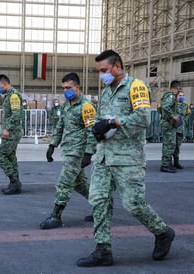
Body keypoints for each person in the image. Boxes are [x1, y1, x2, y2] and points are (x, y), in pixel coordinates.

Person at [77, 50, 174, 267]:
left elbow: (143, 118)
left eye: (104, 70)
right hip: (103, 157)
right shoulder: (105, 92)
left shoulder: (136, 87)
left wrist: (113, 123)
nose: (101, 75)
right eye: (99, 71)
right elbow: (100, 122)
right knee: (98, 201)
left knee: (133, 204)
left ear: (117, 67)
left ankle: (163, 232)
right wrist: (94, 140)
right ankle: (103, 250)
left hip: (127, 158)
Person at [41, 72, 96, 229]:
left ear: (77, 87)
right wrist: (52, 145)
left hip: (77, 152)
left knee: (64, 183)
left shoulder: (86, 107)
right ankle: (102, 206)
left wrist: (88, 152)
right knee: (79, 184)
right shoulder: (67, 105)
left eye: (69, 88)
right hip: (68, 149)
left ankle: (56, 216)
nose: (66, 91)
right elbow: (60, 126)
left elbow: (92, 131)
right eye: (63, 88)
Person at [0, 74, 23, 195]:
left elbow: (16, 114)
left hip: (11, 132)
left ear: (4, 84)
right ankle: (15, 184)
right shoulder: (9, 95)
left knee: (1, 155)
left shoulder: (14, 95)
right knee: (11, 157)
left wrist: (7, 129)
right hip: (12, 131)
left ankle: (14, 181)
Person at [159, 80, 182, 173]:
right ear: (176, 88)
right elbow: (165, 107)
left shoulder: (167, 95)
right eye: (179, 88)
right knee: (169, 145)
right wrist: (173, 116)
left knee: (170, 144)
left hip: (168, 124)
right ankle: (165, 165)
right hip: (168, 125)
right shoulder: (171, 96)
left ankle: (167, 163)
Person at [174, 90, 191, 168]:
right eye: (180, 95)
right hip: (172, 129)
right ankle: (167, 163)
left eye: (183, 95)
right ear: (176, 96)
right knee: (170, 146)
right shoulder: (173, 105)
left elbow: (188, 113)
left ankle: (176, 162)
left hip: (180, 129)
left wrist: (183, 120)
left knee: (178, 146)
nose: (182, 97)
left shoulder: (185, 105)